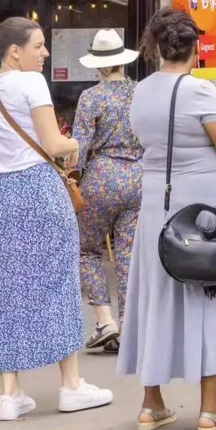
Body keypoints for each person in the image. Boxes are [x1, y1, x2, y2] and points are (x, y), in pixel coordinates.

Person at [0, 18, 114, 421]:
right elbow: (54, 143)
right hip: (40, 190)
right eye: (40, 46)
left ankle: (10, 394)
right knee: (58, 282)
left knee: (5, 289)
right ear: (15, 52)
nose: (45, 53)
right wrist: (77, 143)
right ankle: (71, 385)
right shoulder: (31, 84)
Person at [119, 7, 216, 430]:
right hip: (204, 203)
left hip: (156, 201)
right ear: (195, 48)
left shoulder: (139, 92)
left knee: (155, 296)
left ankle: (150, 403)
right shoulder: (199, 92)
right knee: (206, 293)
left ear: (156, 47)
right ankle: (210, 410)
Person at [71, 29, 143, 355]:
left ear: (99, 66)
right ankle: (129, 324)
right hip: (137, 178)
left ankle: (104, 320)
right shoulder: (140, 93)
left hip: (100, 178)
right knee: (129, 253)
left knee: (86, 249)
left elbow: (79, 148)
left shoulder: (91, 97)